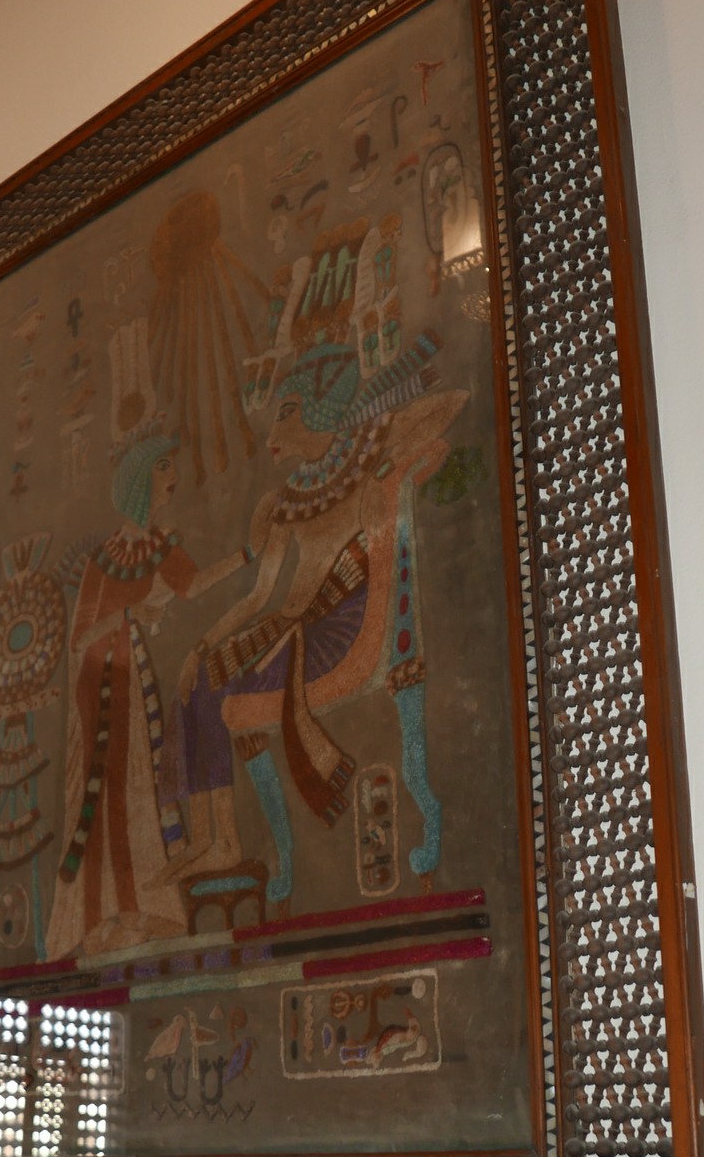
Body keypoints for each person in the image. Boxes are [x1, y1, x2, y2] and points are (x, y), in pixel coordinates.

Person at [163, 335, 460, 903]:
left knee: (225, 700)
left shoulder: (366, 451)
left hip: (343, 627)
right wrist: (200, 646)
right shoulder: (285, 499)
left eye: (288, 413)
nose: (274, 434)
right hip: (292, 627)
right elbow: (258, 597)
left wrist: (393, 464)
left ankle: (238, 844)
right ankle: (224, 842)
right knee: (199, 684)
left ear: (321, 407)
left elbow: (449, 405)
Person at [45, 431, 248, 959]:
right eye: (162, 468)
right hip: (100, 688)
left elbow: (194, 584)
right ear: (139, 482)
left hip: (132, 681)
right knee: (105, 798)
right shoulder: (102, 560)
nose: (171, 477)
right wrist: (130, 613)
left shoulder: (160, 546)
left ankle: (141, 912)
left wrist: (248, 554)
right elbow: (79, 638)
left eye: (170, 467)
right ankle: (97, 919)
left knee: (137, 792)